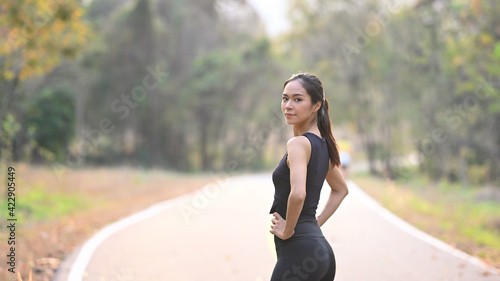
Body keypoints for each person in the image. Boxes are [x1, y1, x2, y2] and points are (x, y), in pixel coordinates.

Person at [269, 73, 349, 281]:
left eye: (298, 99)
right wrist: (315, 224)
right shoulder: (323, 145)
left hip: (299, 253)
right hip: (321, 252)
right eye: (285, 98)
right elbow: (341, 190)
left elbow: (298, 194)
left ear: (316, 106)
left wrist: (288, 230)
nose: (288, 105)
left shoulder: (298, 144)